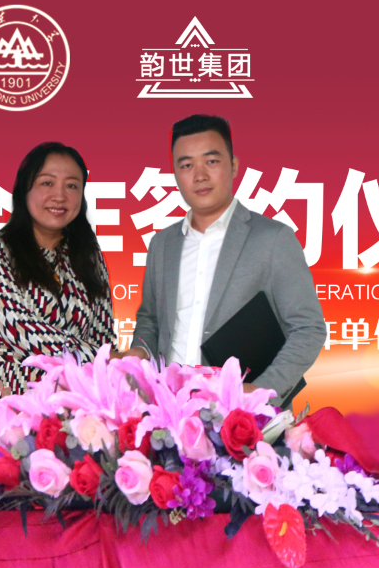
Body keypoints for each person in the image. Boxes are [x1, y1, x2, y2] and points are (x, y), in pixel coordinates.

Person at [117, 115, 326, 403]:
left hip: (240, 413)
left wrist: (260, 392)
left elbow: (308, 328)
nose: (199, 175)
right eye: (187, 165)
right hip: (168, 406)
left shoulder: (273, 239)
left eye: (211, 161)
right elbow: (150, 321)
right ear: (175, 174)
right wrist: (140, 352)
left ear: (234, 166)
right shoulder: (162, 245)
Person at [0, 142, 116, 398]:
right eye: (47, 183)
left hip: (75, 399)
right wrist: (104, 358)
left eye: (72, 186)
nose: (59, 196)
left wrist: (109, 367)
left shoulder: (88, 254)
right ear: (24, 189)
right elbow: (20, 329)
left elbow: (102, 336)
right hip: (9, 395)